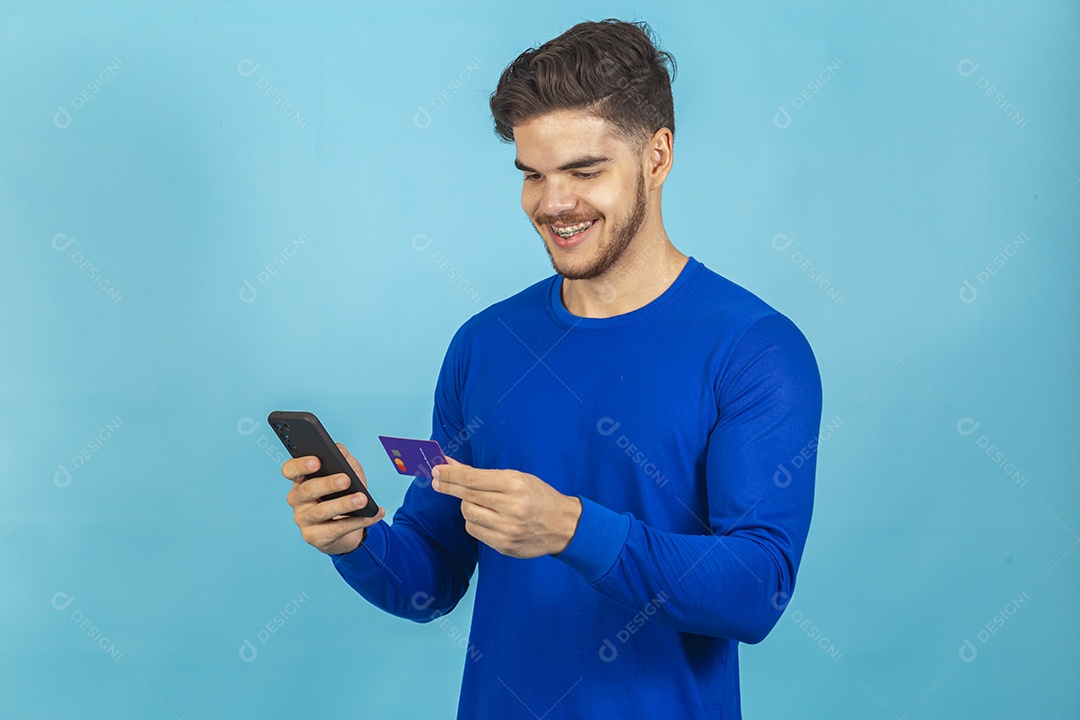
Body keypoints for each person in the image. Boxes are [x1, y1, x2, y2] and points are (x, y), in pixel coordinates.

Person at [282, 18, 823, 719]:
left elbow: (757, 590)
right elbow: (433, 577)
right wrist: (357, 540)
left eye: (583, 170)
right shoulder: (485, 344)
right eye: (533, 174)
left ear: (656, 158)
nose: (553, 203)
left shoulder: (755, 349)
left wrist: (571, 529)